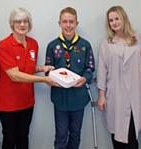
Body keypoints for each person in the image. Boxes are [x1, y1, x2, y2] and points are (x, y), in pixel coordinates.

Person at [0, 7, 57, 149]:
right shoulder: (4, 45)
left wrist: (42, 68)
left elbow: (27, 68)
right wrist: (43, 79)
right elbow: (14, 75)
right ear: (12, 23)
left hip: (27, 101)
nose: (22, 25)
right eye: (18, 21)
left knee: (24, 136)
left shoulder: (33, 44)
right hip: (8, 103)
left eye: (25, 21)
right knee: (10, 138)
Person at [96, 6, 141, 149]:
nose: (114, 22)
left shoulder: (139, 38)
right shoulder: (107, 43)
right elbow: (102, 70)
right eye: (111, 20)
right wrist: (101, 95)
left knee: (131, 133)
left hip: (135, 92)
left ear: (123, 18)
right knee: (117, 133)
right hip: (116, 94)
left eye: (116, 18)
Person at [45, 7, 95, 149]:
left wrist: (85, 79)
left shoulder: (85, 45)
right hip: (60, 98)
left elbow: (90, 68)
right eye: (65, 21)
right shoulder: (52, 45)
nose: (68, 25)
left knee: (75, 134)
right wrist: (51, 79)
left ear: (76, 23)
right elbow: (48, 69)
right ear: (59, 23)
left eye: (71, 22)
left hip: (78, 98)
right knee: (60, 134)